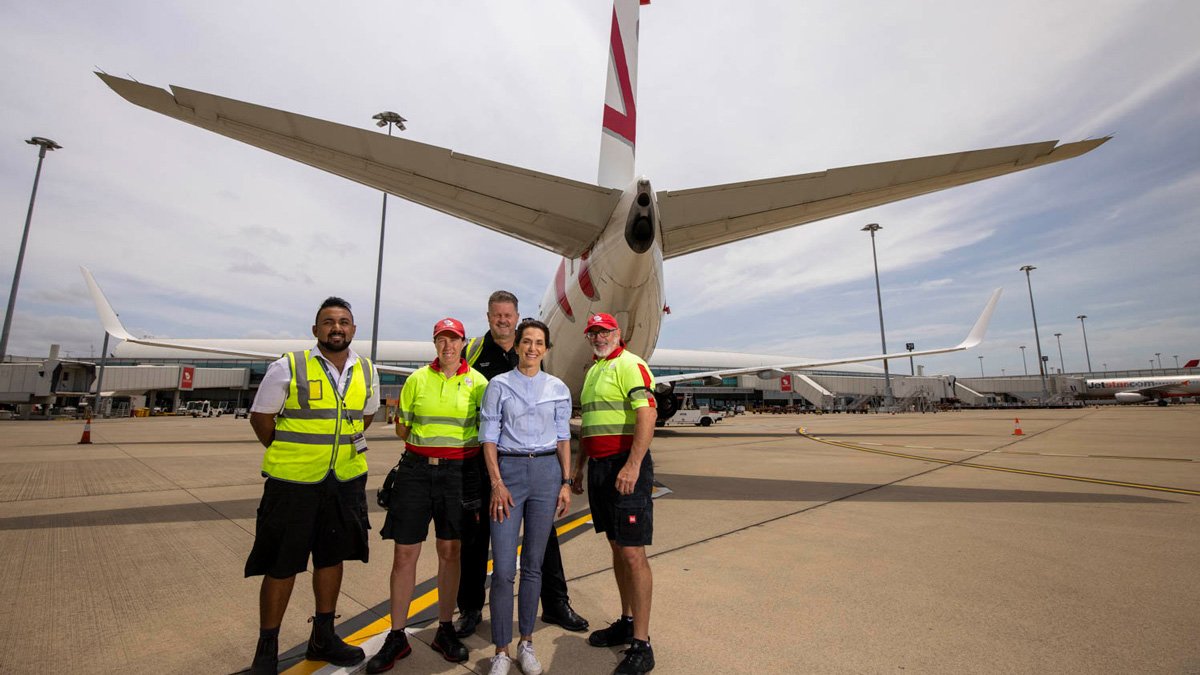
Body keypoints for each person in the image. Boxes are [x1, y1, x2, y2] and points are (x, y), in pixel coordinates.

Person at [245, 297, 379, 674]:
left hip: (345, 481)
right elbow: (261, 419)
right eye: (329, 322)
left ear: (353, 329)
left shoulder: (366, 370)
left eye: (344, 322)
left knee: (332, 559)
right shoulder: (288, 366)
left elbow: (364, 418)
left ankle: (323, 637)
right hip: (293, 484)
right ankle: (266, 650)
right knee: (282, 564)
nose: (337, 328)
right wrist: (288, 451)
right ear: (316, 329)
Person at [456, 291, 589, 637]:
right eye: (497, 315)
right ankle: (470, 609)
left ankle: (556, 603)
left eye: (508, 315)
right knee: (476, 536)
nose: (503, 320)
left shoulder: (530, 352)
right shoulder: (473, 351)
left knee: (543, 538)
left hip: (526, 465)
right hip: (484, 460)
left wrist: (562, 476)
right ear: (488, 317)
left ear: (517, 318)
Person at [366, 317, 488, 673]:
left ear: (464, 343)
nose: (448, 346)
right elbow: (401, 426)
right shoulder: (417, 379)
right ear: (434, 343)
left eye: (454, 340)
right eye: (441, 339)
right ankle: (397, 635)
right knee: (405, 553)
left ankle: (445, 628)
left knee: (450, 552)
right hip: (417, 472)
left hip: (458, 475)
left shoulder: (478, 383)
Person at [479, 320, 574, 675]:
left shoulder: (558, 388)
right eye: (527, 342)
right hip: (510, 475)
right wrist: (496, 482)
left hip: (547, 475)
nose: (532, 348)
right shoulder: (498, 386)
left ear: (546, 349)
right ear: (517, 346)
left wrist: (565, 482)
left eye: (539, 343)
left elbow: (563, 437)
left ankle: (527, 642)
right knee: (504, 570)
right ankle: (501, 648)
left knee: (533, 566)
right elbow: (488, 437)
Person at [572, 313, 658, 674]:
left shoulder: (630, 364)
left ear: (617, 333)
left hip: (626, 466)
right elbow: (590, 426)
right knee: (616, 546)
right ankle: (625, 621)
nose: (598, 336)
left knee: (633, 552)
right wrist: (578, 468)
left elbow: (647, 416)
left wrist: (633, 465)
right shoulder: (592, 372)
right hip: (600, 468)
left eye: (604, 331)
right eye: (593, 332)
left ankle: (643, 643)